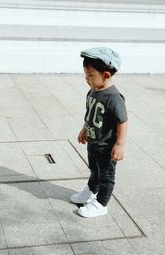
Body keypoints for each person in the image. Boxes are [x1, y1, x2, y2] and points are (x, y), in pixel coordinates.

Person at [70, 47, 128, 217]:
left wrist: (120, 145)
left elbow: (122, 122)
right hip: (93, 143)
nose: (87, 80)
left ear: (106, 75)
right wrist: (84, 129)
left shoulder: (114, 98)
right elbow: (90, 114)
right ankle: (91, 190)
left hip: (106, 147)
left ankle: (101, 204)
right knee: (94, 170)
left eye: (90, 76)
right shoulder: (93, 91)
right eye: (85, 75)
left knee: (106, 176)